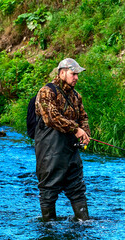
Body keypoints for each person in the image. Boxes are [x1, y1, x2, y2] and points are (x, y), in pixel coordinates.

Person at [34, 58, 91, 222]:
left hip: (70, 151)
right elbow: (51, 118)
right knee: (48, 191)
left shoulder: (76, 96)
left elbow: (83, 117)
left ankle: (84, 223)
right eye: (73, 74)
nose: (76, 78)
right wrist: (75, 129)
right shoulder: (46, 92)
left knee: (77, 188)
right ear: (62, 73)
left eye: (77, 74)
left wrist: (85, 133)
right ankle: (47, 227)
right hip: (49, 151)